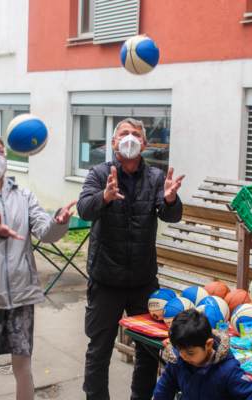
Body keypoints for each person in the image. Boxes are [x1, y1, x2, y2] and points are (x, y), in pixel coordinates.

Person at [0, 133, 76, 400]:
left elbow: (45, 233)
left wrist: (59, 221)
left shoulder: (24, 197)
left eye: (1, 150)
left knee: (24, 368)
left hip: (21, 297)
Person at [77, 118, 184, 400]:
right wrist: (104, 196)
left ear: (144, 145)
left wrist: (171, 200)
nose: (129, 138)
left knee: (148, 352)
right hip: (105, 281)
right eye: (123, 134)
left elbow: (170, 214)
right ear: (113, 143)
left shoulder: (157, 178)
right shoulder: (99, 174)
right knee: (99, 350)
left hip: (143, 282)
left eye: (135, 134)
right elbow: (84, 210)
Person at [153, 309, 252, 400]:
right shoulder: (178, 360)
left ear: (209, 344)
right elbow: (163, 389)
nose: (184, 356)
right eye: (179, 350)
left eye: (190, 353)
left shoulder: (228, 370)